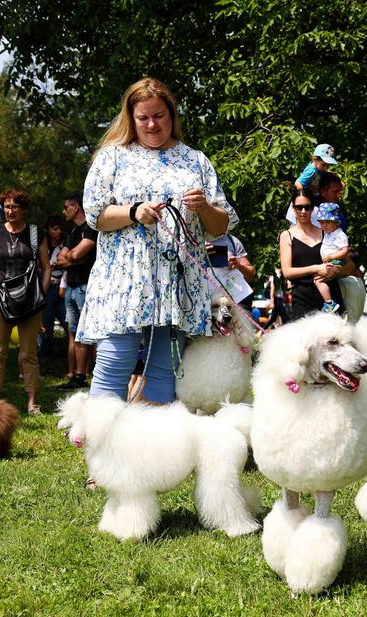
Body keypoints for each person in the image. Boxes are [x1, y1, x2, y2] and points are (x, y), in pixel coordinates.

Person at [79, 77, 237, 404]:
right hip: (124, 279)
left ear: (172, 115)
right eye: (143, 117)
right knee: (114, 360)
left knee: (165, 368)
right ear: (131, 118)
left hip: (175, 281)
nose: (152, 124)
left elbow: (221, 225)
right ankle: (100, 434)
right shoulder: (112, 157)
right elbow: (95, 215)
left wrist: (204, 207)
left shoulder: (195, 160)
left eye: (159, 116)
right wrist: (133, 212)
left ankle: (157, 436)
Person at [0, 188, 51, 415]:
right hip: (0, 299)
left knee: (28, 353)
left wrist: (41, 294)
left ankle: (32, 402)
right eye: (6, 207)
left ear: (23, 209)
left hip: (30, 302)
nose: (9, 211)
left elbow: (46, 267)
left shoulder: (35, 233)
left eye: (14, 207)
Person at [279, 188, 351, 320]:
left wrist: (337, 270)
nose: (303, 211)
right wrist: (317, 268)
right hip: (303, 300)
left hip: (331, 300)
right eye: (299, 207)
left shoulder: (328, 232)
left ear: (313, 208)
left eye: (307, 207)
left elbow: (349, 265)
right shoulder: (286, 236)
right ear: (293, 208)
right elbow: (287, 273)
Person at [55, 193, 97, 389]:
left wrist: (73, 257)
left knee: (91, 333)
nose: (64, 211)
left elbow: (77, 253)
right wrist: (75, 259)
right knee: (75, 333)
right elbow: (61, 259)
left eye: (66, 207)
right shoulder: (72, 232)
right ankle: (78, 376)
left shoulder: (91, 228)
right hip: (71, 287)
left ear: (76, 207)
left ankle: (95, 375)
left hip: (85, 286)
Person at [39, 214, 67, 367]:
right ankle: (44, 363)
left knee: (68, 324)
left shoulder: (65, 245)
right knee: (46, 328)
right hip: (47, 289)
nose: (58, 232)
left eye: (60, 229)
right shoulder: (42, 246)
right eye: (55, 229)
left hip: (62, 288)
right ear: (48, 230)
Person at [314, 203, 349, 313]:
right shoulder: (329, 233)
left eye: (328, 222)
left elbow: (345, 250)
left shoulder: (339, 235)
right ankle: (329, 301)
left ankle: (329, 303)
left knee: (317, 280)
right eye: (322, 222)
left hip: (335, 262)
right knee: (318, 279)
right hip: (331, 262)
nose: (324, 225)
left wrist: (331, 256)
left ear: (337, 222)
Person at [206, 232, 255, 308]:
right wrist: (199, 253)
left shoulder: (232, 241)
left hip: (234, 305)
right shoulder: (190, 241)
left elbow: (250, 277)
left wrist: (239, 266)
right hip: (202, 305)